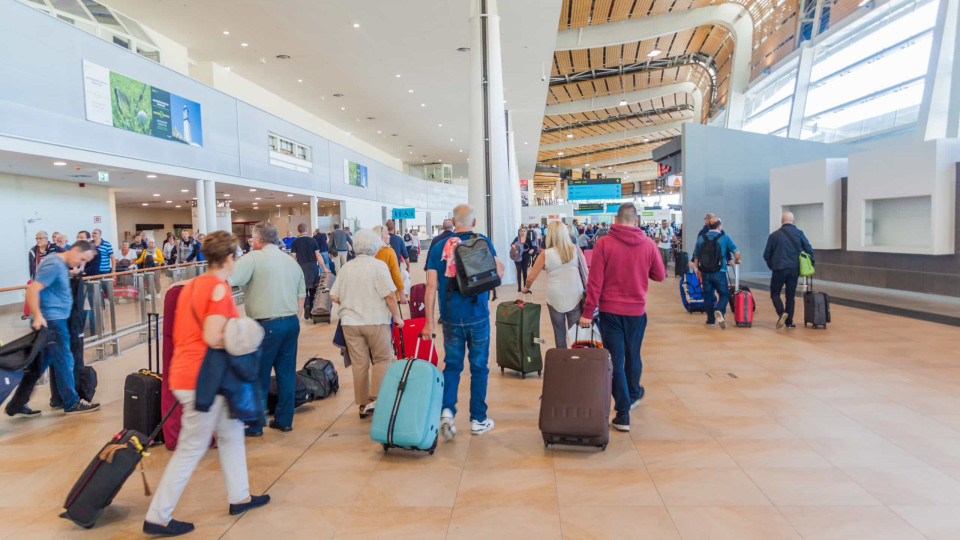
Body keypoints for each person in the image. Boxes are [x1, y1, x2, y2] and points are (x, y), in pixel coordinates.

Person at [143, 231, 269, 537]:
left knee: (231, 433)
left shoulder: (192, 284)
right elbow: (214, 336)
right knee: (191, 448)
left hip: (191, 374)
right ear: (229, 258)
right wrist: (244, 333)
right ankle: (157, 517)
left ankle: (240, 496)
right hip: (204, 378)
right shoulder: (217, 288)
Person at [578, 203, 664, 432]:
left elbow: (595, 282)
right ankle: (633, 393)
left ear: (616, 219)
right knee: (633, 355)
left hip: (610, 312)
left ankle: (623, 412)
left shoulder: (604, 243)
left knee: (615, 359)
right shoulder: (648, 244)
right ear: (636, 220)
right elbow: (660, 275)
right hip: (637, 311)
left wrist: (588, 312)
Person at [423, 204, 504, 439]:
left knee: (453, 365)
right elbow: (499, 271)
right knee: (479, 367)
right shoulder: (482, 241)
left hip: (450, 317)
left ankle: (447, 411)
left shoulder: (438, 247)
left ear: (452, 221)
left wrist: (429, 323)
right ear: (474, 222)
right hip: (477, 314)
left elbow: (430, 286)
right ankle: (478, 419)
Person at [6, 241, 101, 418]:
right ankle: (71, 402)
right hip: (52, 321)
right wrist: (38, 315)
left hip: (53, 320)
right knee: (65, 360)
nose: (80, 263)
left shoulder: (59, 265)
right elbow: (33, 290)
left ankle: (16, 404)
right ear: (73, 251)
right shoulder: (54, 264)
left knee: (38, 366)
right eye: (81, 258)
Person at [229, 222, 305, 436]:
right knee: (286, 373)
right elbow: (301, 295)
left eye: (253, 239)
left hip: (266, 324)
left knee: (258, 375)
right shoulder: (291, 262)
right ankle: (284, 420)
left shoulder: (252, 258)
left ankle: (254, 425)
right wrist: (295, 319)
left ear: (258, 241)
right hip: (290, 323)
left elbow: (230, 279)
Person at [330, 229, 403, 418]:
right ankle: (376, 400)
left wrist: (352, 300)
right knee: (381, 360)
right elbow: (389, 295)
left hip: (350, 323)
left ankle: (363, 404)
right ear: (375, 245)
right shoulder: (378, 266)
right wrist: (397, 317)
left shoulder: (346, 267)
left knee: (359, 364)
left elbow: (334, 296)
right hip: (376, 320)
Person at [522, 221, 586, 348]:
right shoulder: (575, 250)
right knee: (576, 334)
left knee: (559, 333)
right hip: (575, 295)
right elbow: (586, 273)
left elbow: (531, 277)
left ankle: (562, 363)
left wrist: (526, 288)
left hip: (555, 297)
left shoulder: (545, 254)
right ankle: (578, 361)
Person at [763, 212, 814, 329]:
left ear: (782, 221)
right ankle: (789, 322)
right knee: (790, 296)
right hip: (794, 269)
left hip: (778, 269)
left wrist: (772, 265)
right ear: (794, 221)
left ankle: (782, 313)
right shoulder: (799, 233)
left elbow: (766, 254)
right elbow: (809, 250)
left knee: (775, 293)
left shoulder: (774, 236)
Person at [692, 217, 741, 329]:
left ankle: (710, 320)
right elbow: (737, 253)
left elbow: (696, 257)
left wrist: (698, 270)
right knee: (724, 294)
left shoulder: (701, 238)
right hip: (720, 271)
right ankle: (719, 310)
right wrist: (737, 260)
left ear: (709, 226)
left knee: (708, 296)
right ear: (719, 226)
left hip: (705, 272)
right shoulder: (724, 237)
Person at [290, 223, 327, 318]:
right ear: (306, 230)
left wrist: (293, 270)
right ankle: (311, 310)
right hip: (313, 267)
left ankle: (306, 305)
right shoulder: (313, 241)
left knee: (304, 289)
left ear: (298, 230)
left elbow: (293, 257)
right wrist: (324, 268)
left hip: (301, 268)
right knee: (313, 289)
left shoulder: (294, 242)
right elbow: (318, 255)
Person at [372, 225, 406, 303]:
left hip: (372, 293)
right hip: (387, 292)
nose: (389, 236)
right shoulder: (389, 252)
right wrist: (401, 293)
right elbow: (396, 274)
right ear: (381, 237)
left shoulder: (370, 252)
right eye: (387, 234)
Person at [511, 227, 534, 292]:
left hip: (526, 257)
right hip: (518, 257)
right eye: (521, 231)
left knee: (524, 272)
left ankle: (525, 286)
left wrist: (531, 250)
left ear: (526, 232)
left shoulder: (528, 240)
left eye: (524, 231)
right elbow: (512, 244)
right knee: (518, 271)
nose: (522, 232)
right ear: (519, 232)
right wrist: (514, 246)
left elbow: (532, 248)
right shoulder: (517, 238)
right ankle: (519, 287)